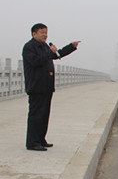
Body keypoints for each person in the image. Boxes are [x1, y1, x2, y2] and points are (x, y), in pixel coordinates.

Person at [23, 23, 80, 151]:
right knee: (36, 115)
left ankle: (41, 139)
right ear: (34, 34)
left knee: (44, 115)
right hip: (36, 87)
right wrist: (49, 52)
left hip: (47, 87)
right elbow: (36, 61)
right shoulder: (29, 47)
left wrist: (71, 47)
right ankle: (32, 142)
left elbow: (56, 55)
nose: (45, 35)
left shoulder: (44, 47)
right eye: (42, 32)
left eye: (46, 32)